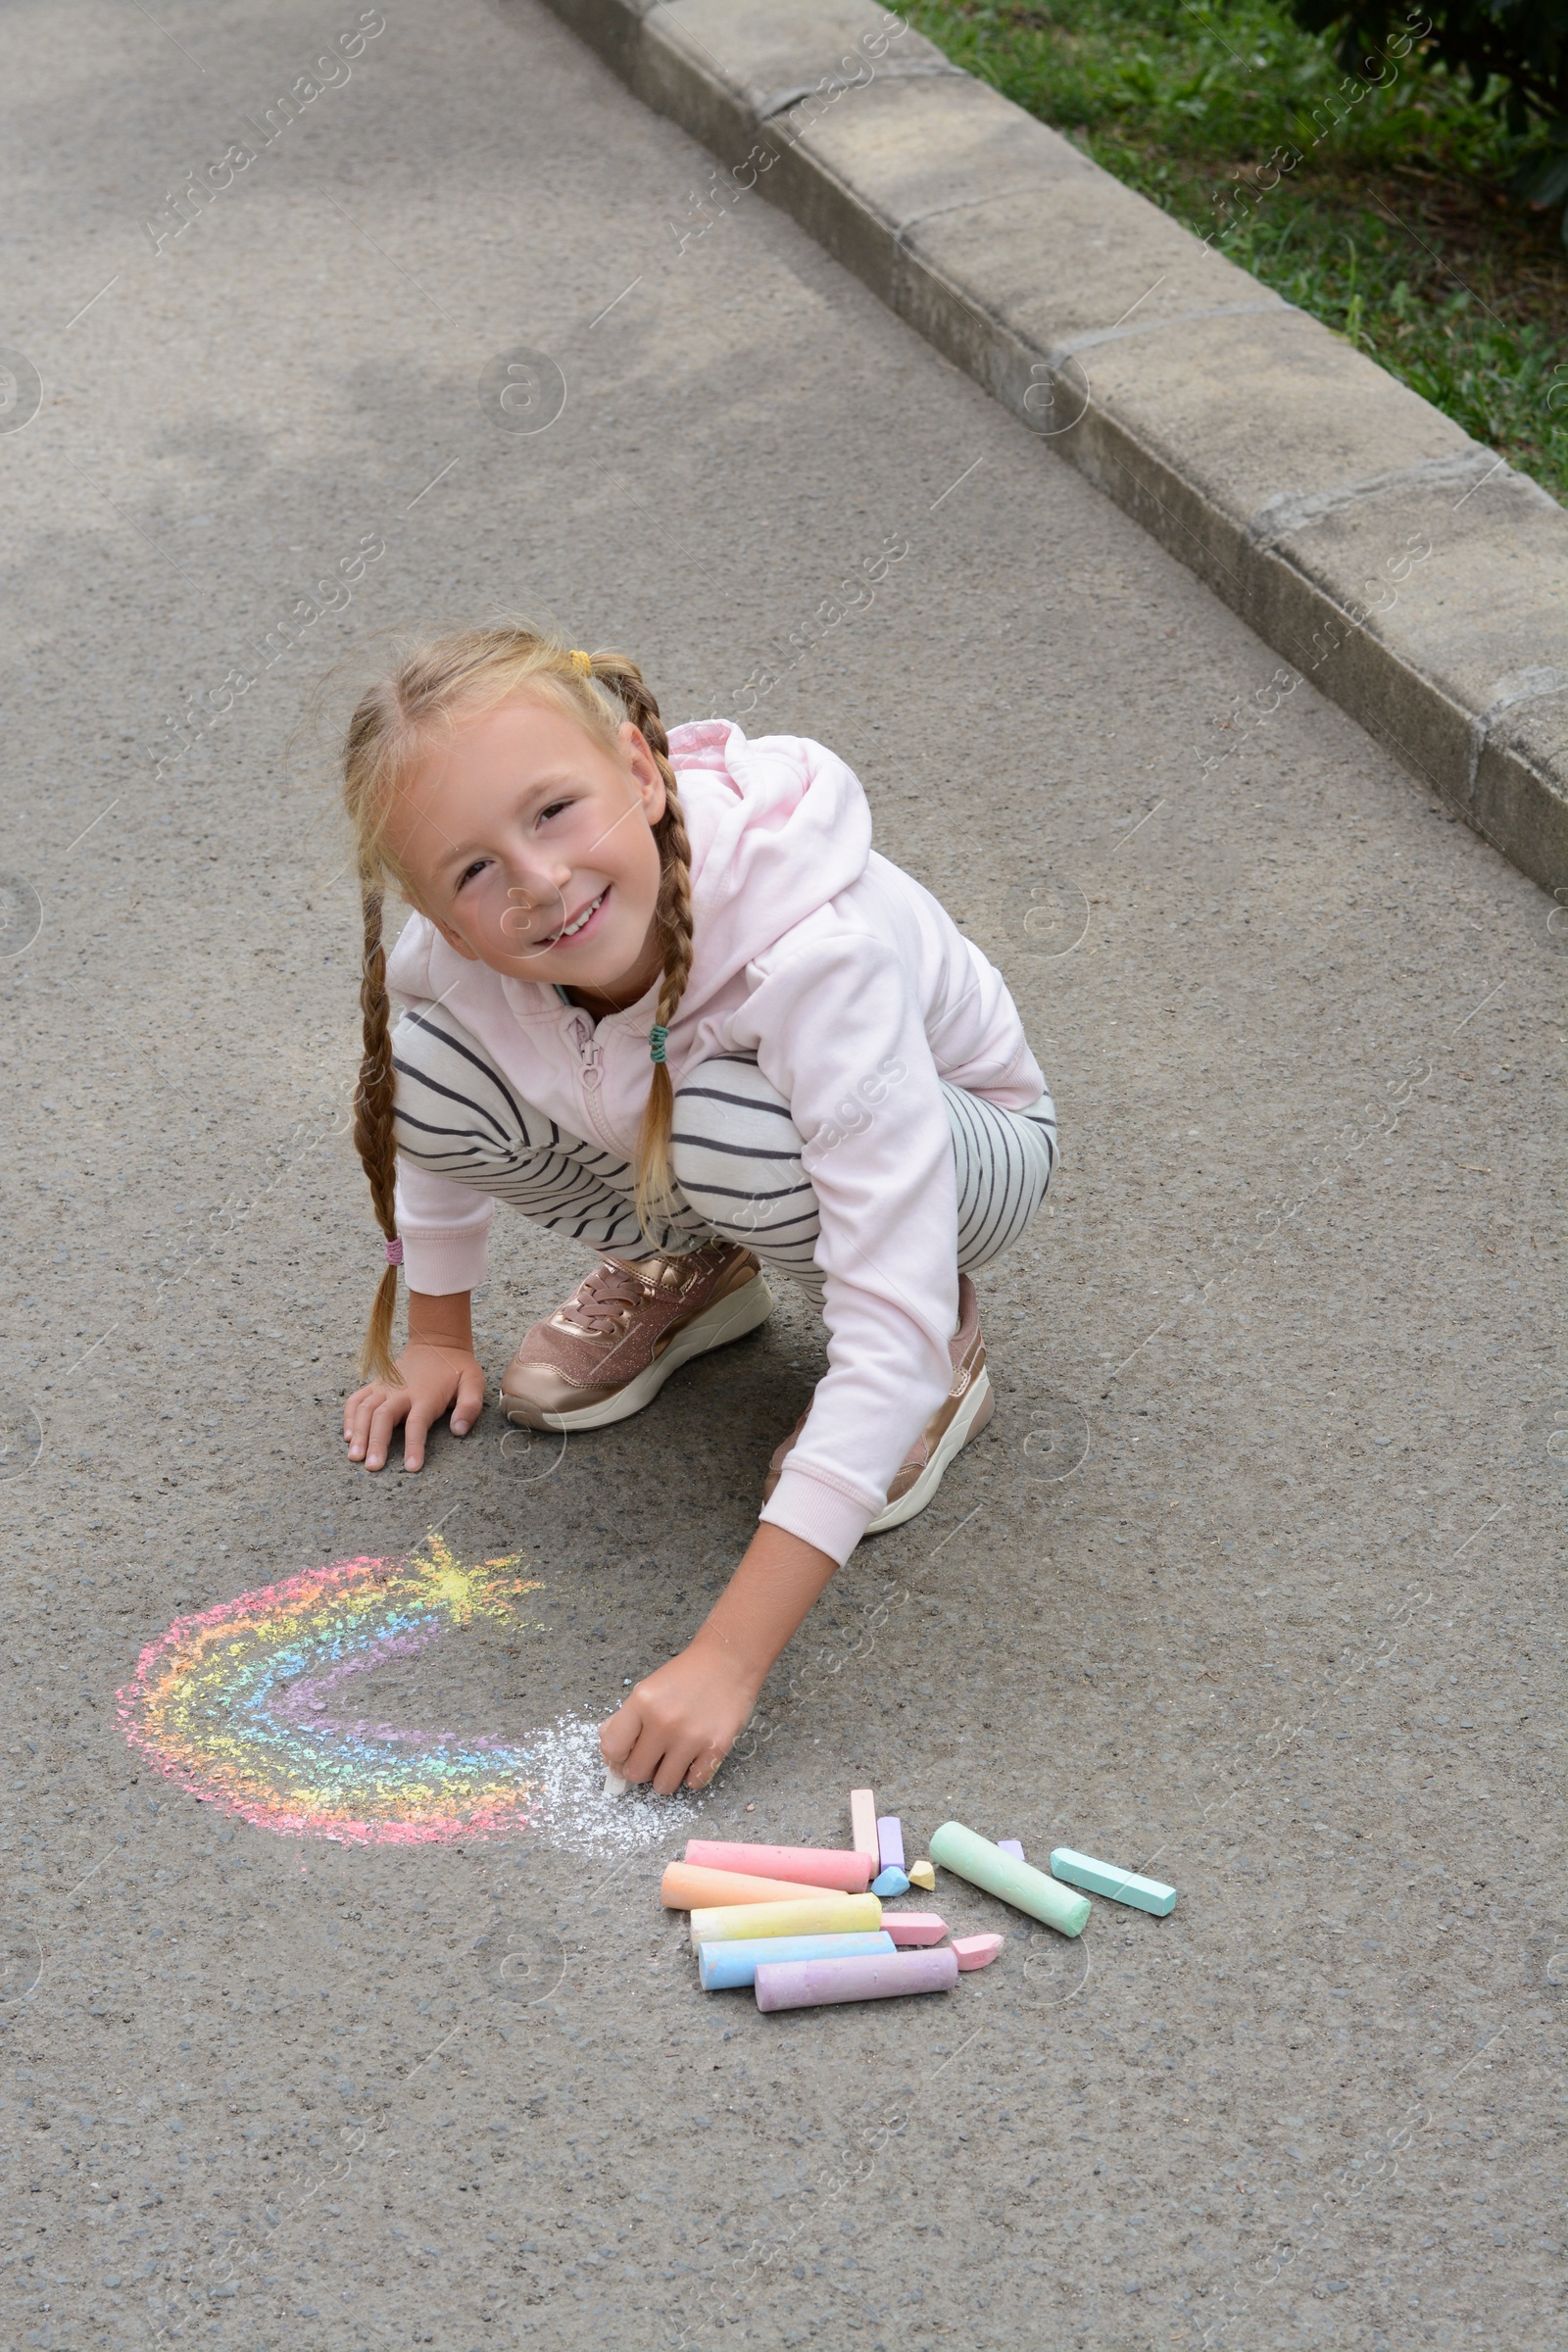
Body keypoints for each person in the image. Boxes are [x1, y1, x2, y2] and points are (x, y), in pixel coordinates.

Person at [338, 627, 1055, 1793]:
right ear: (428, 903)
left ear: (638, 768)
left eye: (554, 811)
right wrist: (434, 1335)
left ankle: (947, 1352)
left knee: (728, 1127)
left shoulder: (812, 956)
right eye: (471, 870)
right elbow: (422, 1115)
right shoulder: (459, 955)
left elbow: (881, 1310)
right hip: (710, 1130)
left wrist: (725, 1661)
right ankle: (707, 1269)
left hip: (968, 1158)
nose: (537, 880)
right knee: (425, 1062)